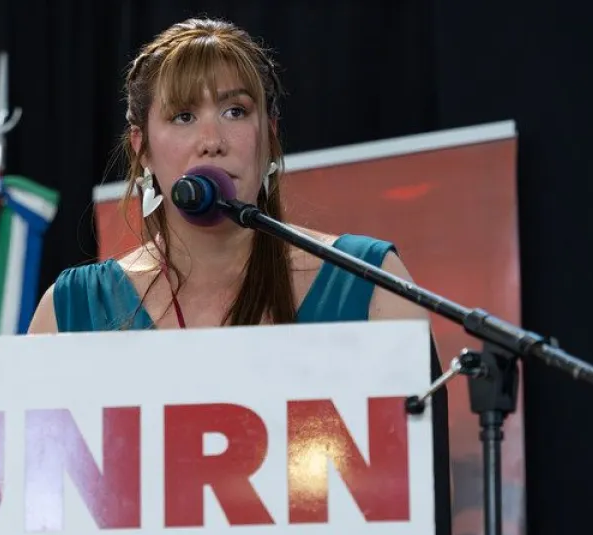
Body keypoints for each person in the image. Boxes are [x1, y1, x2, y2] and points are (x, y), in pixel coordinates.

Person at [26, 16, 430, 334]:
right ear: (142, 148)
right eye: (183, 116)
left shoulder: (369, 281)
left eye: (235, 111)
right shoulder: (70, 310)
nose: (212, 141)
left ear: (269, 134)